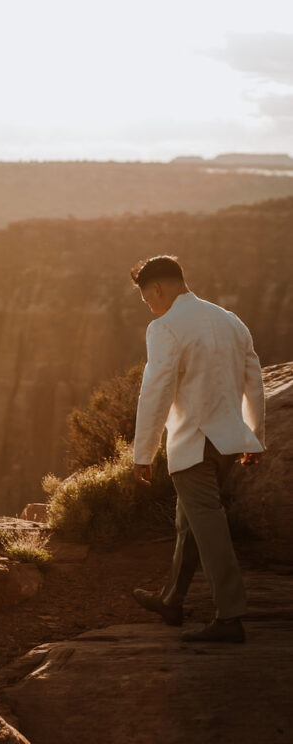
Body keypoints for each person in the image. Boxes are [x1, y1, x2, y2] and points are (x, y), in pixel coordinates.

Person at [129, 255, 265, 643]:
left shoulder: (165, 327)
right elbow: (252, 378)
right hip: (228, 442)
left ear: (157, 289)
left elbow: (155, 392)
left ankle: (230, 618)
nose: (150, 307)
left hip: (194, 443)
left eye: (147, 299)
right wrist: (255, 435)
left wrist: (143, 452)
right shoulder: (230, 320)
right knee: (187, 523)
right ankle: (172, 600)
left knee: (209, 527)